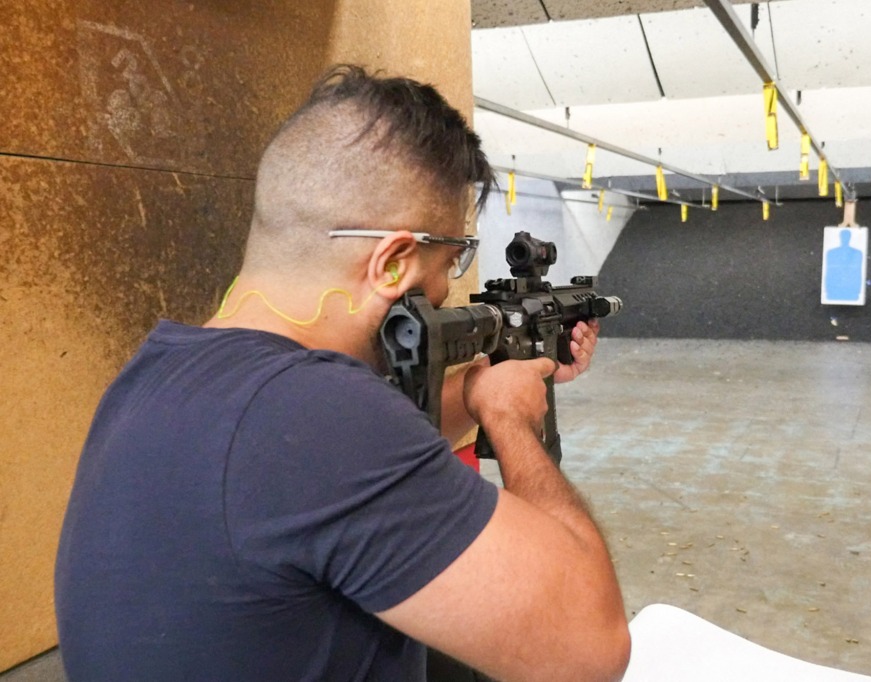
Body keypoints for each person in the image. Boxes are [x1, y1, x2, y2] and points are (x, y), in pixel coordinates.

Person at [54, 65, 630, 682]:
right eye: (452, 256)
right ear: (390, 265)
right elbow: (589, 653)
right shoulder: (318, 413)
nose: (445, 287)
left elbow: (333, 477)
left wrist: (478, 391)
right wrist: (510, 417)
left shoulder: (154, 375)